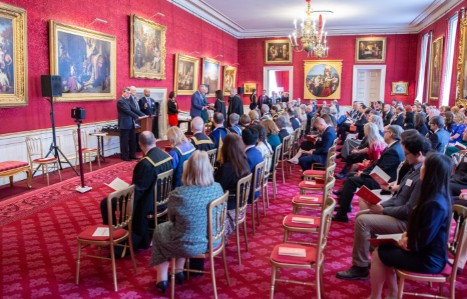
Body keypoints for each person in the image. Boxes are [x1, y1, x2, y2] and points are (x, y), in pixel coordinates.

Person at [335, 132, 431, 280]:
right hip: (398, 212)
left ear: (418, 154)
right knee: (363, 214)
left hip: (408, 222)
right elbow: (400, 196)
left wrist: (384, 210)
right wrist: (382, 205)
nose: (404, 157)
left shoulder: (423, 174)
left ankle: (360, 267)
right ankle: (378, 255)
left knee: (362, 220)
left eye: (406, 153)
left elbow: (409, 210)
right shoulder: (414, 167)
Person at [368, 153, 451, 299]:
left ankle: (377, 296)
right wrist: (405, 236)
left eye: (425, 165)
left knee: (378, 254)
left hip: (429, 258)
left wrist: (405, 242)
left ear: (431, 172)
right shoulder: (433, 194)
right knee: (382, 250)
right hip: (423, 249)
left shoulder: (435, 203)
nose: (421, 168)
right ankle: (392, 294)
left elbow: (422, 239)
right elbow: (419, 227)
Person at [149, 151, 224, 294]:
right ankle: (178, 270)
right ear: (209, 168)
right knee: (184, 229)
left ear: (187, 170)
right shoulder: (218, 187)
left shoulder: (178, 193)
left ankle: (162, 278)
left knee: (161, 231)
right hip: (214, 240)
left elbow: (171, 220)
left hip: (189, 244)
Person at [100, 132, 173, 254]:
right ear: (155, 140)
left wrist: (123, 192)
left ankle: (114, 235)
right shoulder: (166, 155)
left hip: (149, 202)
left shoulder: (145, 163)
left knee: (105, 202)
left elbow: (136, 192)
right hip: (163, 198)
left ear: (139, 144)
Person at [333, 125, 405, 223]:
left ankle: (342, 214)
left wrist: (363, 175)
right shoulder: (393, 146)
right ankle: (344, 206)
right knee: (351, 175)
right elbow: (376, 163)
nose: (384, 133)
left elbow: (381, 170)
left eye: (386, 131)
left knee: (350, 181)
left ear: (391, 134)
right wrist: (363, 172)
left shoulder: (393, 150)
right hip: (381, 176)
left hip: (384, 181)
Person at [214, 134, 251, 240]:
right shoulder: (244, 162)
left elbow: (217, 191)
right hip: (240, 205)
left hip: (229, 207)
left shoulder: (227, 168)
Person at [117, 87, 146, 161]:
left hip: (130, 123)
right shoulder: (120, 101)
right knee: (125, 141)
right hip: (124, 124)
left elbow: (133, 109)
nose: (128, 94)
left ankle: (132, 155)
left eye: (129, 93)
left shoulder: (127, 100)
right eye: (127, 93)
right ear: (123, 92)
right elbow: (127, 111)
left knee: (133, 139)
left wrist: (143, 115)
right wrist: (137, 117)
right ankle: (125, 156)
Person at [242, 126, 264, 200]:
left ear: (242, 139)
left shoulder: (246, 157)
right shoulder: (258, 152)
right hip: (256, 189)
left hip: (248, 193)